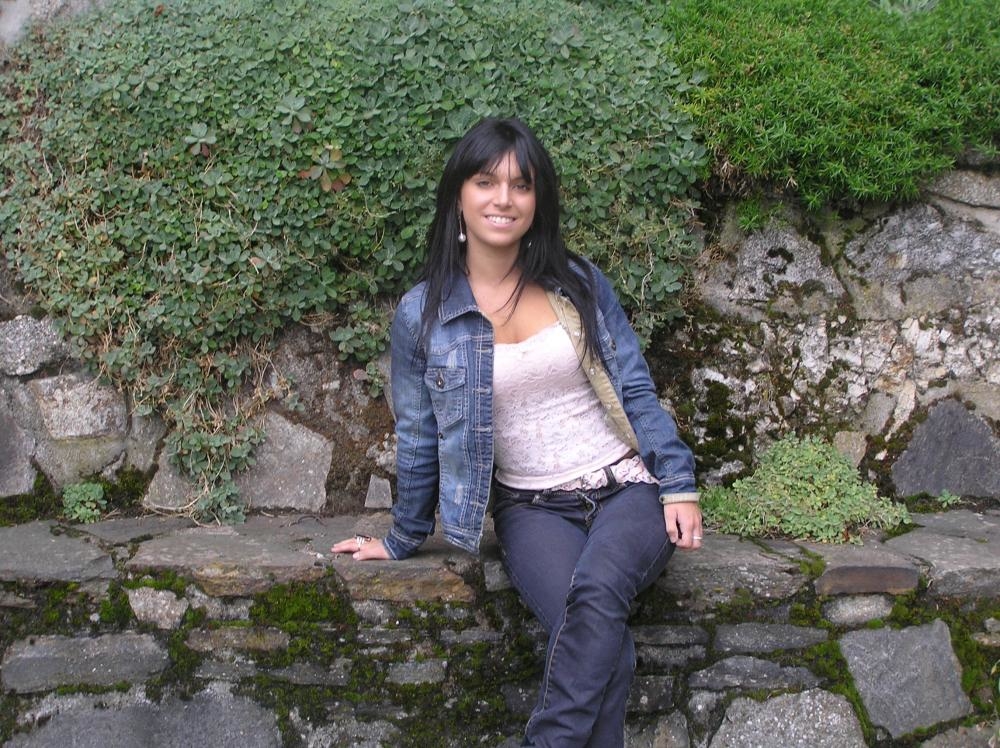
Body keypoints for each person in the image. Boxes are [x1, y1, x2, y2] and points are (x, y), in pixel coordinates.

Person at [333, 116, 702, 747]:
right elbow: (418, 436)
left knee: (597, 594)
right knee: (602, 648)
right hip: (531, 507)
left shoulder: (578, 284)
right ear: (458, 195)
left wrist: (678, 482)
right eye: (486, 182)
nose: (503, 199)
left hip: (628, 490)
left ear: (538, 201)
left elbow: (635, 388)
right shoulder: (423, 314)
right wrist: (401, 538)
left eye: (521, 185)